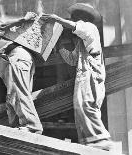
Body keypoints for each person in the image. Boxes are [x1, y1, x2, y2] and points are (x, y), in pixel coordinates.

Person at [40, 3, 114, 151]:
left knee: (87, 104)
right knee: (80, 106)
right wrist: (60, 46)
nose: (75, 20)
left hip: (91, 74)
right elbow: (72, 59)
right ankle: (89, 141)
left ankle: (101, 138)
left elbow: (78, 27)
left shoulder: (90, 28)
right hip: (83, 74)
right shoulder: (81, 42)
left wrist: (58, 19)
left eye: (76, 17)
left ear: (83, 17)